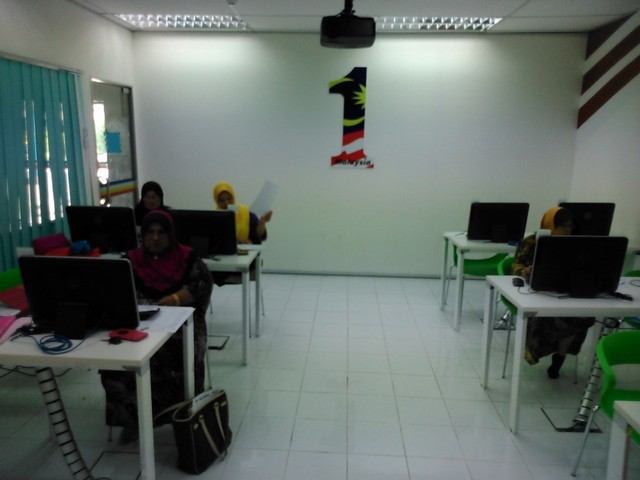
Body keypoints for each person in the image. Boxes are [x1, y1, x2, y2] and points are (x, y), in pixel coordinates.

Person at [100, 209, 213, 444]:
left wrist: (175, 299)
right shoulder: (130, 260)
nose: (154, 237)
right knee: (115, 360)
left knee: (168, 356)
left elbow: (201, 286)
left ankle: (180, 416)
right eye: (149, 232)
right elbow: (113, 290)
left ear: (171, 234)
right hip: (138, 326)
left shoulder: (188, 258)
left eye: (161, 232)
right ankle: (132, 420)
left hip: (181, 327)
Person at [512, 206, 595, 379]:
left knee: (582, 316)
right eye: (564, 226)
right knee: (550, 317)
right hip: (535, 292)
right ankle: (555, 356)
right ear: (550, 224)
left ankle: (560, 356)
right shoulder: (531, 242)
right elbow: (516, 266)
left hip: (564, 291)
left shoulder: (574, 244)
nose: (568, 230)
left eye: (571, 226)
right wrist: (524, 271)